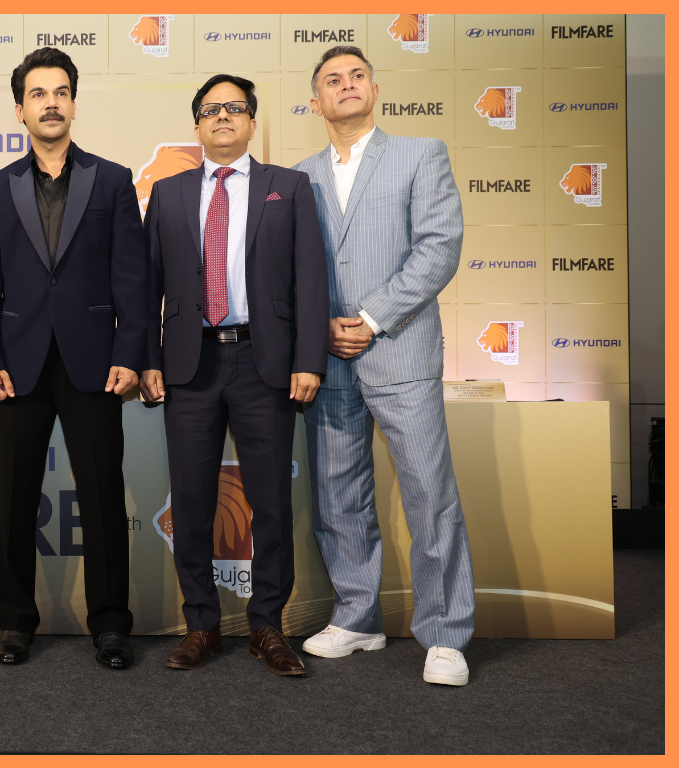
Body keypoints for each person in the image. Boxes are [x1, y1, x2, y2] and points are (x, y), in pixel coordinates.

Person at [292, 46, 473, 686]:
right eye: (332, 80)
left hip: (400, 351)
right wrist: (319, 327)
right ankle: (357, 617)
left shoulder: (420, 154)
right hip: (327, 360)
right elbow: (291, 267)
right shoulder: (299, 176)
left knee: (429, 494)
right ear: (316, 102)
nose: (346, 85)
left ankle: (445, 633)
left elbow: (439, 247)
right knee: (338, 497)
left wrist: (370, 318)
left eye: (357, 76)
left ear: (374, 89)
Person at [141, 74, 328, 674]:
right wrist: (149, 360)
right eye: (211, 109)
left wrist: (308, 359)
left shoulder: (288, 188)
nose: (223, 116)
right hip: (189, 365)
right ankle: (201, 624)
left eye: (235, 108)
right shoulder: (167, 193)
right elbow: (146, 287)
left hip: (263, 363)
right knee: (192, 501)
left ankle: (267, 625)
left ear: (251, 121)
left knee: (270, 502)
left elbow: (310, 278)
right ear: (197, 124)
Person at [0, 48, 149, 669]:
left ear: (74, 103)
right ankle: (15, 621)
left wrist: (131, 351)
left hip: (94, 362)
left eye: (61, 92)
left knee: (103, 497)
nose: (50, 103)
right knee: (15, 496)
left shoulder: (114, 180)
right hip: (18, 365)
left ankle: (112, 624)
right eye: (38, 94)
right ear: (19, 109)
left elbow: (132, 278)